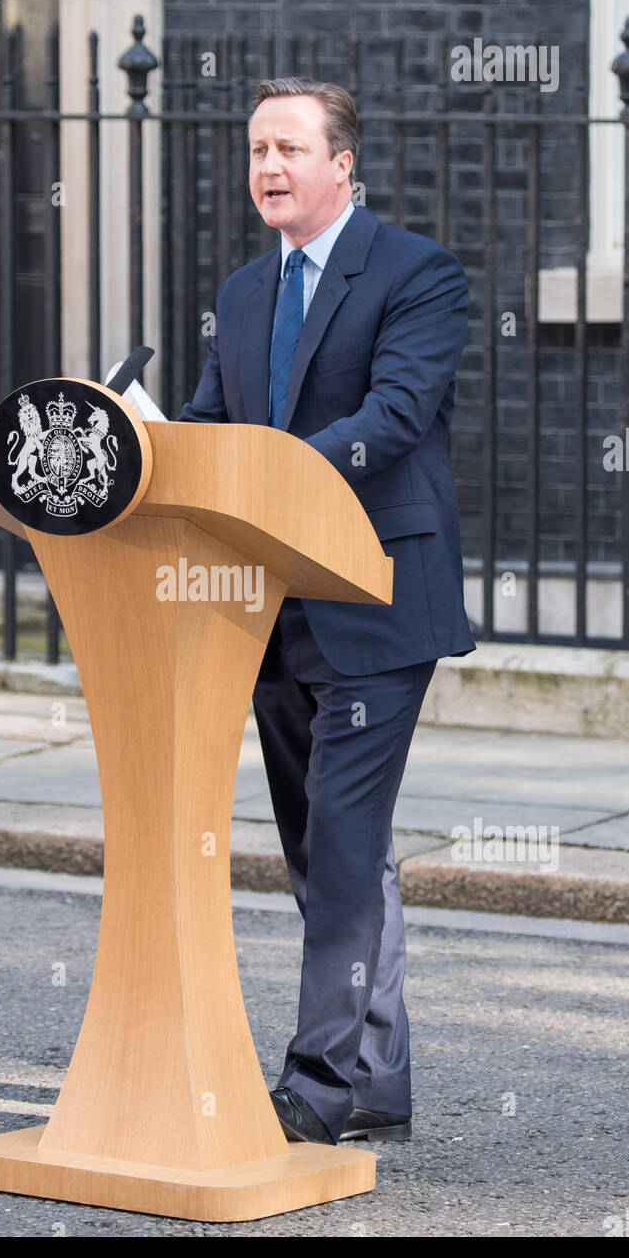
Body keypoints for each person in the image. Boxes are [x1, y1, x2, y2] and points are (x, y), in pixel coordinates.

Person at [177, 76, 475, 1145]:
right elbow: (211, 429)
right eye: (257, 148)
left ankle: (319, 1081)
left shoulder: (416, 274)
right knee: (317, 847)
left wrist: (270, 477)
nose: (268, 166)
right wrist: (148, 447)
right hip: (272, 605)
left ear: (342, 164)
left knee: (345, 843)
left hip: (376, 597)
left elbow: (392, 414)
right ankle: (374, 1079)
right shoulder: (245, 292)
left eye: (289, 148)